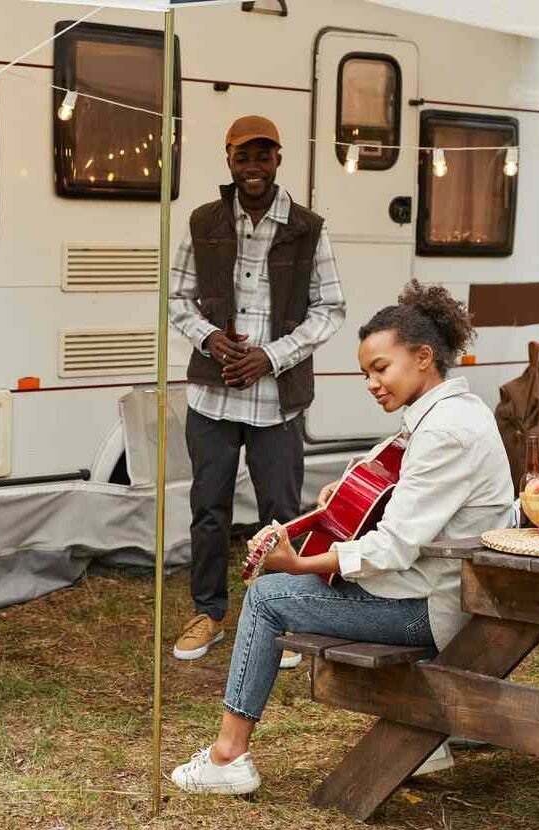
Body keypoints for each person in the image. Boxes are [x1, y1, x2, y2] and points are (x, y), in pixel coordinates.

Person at [170, 281, 513, 795]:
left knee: (266, 598)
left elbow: (392, 548)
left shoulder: (444, 430)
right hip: (445, 587)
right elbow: (388, 471)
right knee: (280, 591)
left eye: (381, 368)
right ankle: (429, 745)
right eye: (365, 373)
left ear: (423, 357)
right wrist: (348, 484)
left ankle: (228, 757)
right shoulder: (453, 412)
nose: (372, 383)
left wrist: (302, 566)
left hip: (435, 605)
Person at [168, 115, 346, 664]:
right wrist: (212, 341)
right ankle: (210, 613)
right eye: (244, 156)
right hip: (214, 397)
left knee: (280, 511)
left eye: (263, 156)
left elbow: (330, 310)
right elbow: (176, 300)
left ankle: (282, 611)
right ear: (228, 159)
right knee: (208, 508)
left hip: (277, 396)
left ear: (278, 160)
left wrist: (270, 355)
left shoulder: (308, 227)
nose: (254, 167)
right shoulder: (202, 222)